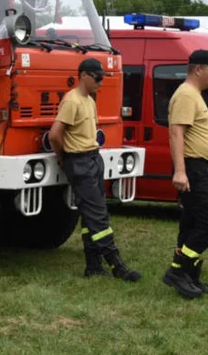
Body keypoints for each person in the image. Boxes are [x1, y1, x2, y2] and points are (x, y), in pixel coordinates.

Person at [49, 58, 141, 281]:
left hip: (92, 159)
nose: (101, 82)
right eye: (98, 77)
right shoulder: (72, 101)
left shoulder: (89, 100)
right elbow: (54, 135)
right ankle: (116, 264)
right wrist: (63, 157)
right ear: (84, 76)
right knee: (99, 217)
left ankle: (93, 265)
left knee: (91, 215)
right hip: (79, 162)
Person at [163, 49, 208, 299]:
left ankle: (190, 277)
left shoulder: (194, 94)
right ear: (198, 69)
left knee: (193, 222)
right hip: (190, 168)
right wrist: (181, 171)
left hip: (198, 166)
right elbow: (176, 133)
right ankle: (178, 271)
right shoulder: (187, 95)